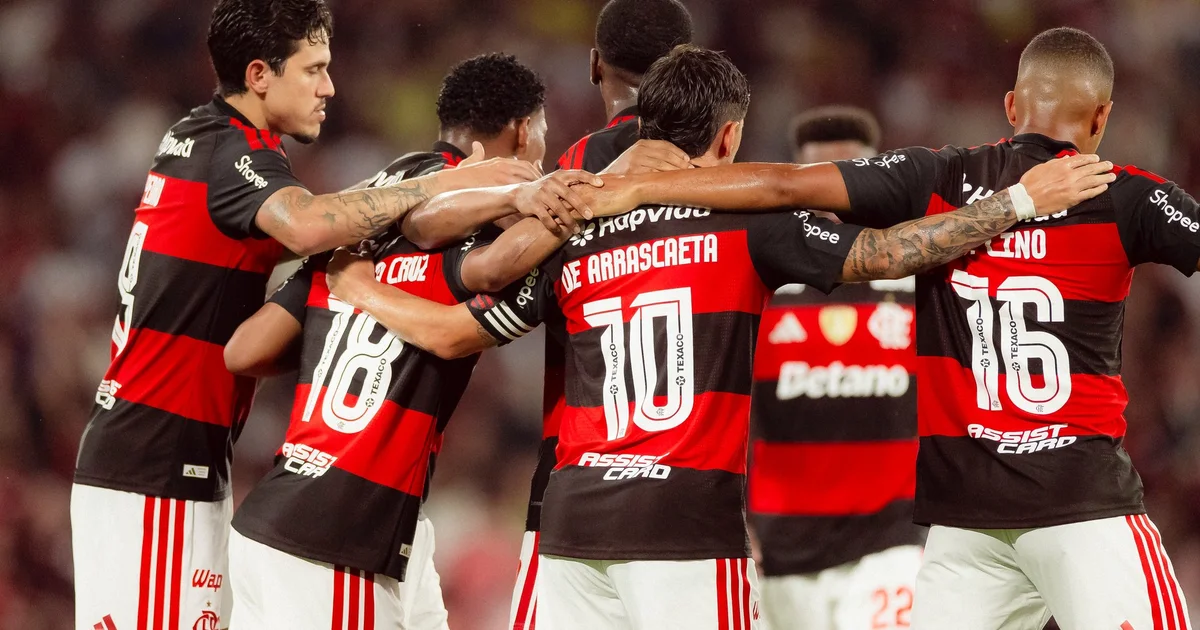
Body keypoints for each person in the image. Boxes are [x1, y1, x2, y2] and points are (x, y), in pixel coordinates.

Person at [328, 45, 1112, 630]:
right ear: (729, 139)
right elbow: (889, 252)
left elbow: (463, 328)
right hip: (685, 533)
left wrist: (355, 284)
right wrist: (1014, 204)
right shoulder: (746, 224)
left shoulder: (568, 228)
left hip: (569, 528)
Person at [576, 28, 1196, 630]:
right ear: (1101, 117)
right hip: (1082, 509)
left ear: (1011, 107)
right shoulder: (1128, 197)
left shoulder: (939, 179)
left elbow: (778, 185)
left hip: (965, 527)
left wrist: (630, 189)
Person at [69, 0, 595, 626]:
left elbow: (245, 347)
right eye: (313, 69)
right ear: (261, 75)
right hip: (169, 468)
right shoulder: (235, 155)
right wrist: (543, 198)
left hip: (203, 474)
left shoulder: (201, 140)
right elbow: (314, 223)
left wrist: (347, 297)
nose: (330, 88)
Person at [221, 53, 588, 630]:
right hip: (338, 537)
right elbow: (473, 259)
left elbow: (243, 352)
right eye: (540, 132)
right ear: (523, 130)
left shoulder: (356, 221)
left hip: (297, 517)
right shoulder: (494, 198)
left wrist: (337, 303)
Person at [513, 2, 694, 628]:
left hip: (574, 481)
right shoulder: (724, 174)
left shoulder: (569, 173)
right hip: (691, 493)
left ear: (595, 66)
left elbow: (501, 294)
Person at [748, 106, 925, 630]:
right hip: (777, 552)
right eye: (819, 185)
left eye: (853, 183)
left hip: (892, 543)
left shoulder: (924, 285)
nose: (835, 202)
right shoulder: (760, 287)